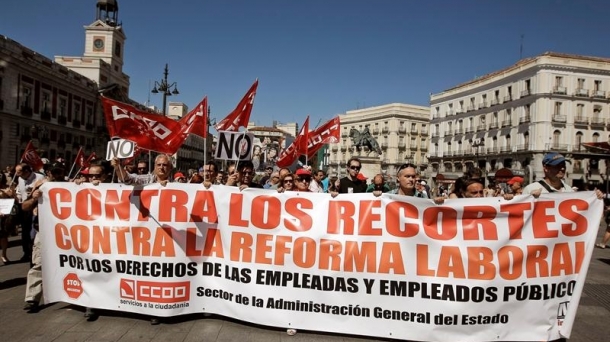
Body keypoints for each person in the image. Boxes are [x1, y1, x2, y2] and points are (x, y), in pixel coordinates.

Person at [23, 162, 66, 313]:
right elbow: (25, 206)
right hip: (44, 231)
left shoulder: (71, 185)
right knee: (38, 264)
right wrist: (34, 198)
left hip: (67, 233)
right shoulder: (40, 186)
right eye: (52, 172)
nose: (55, 175)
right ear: (47, 173)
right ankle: (32, 299)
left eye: (58, 172)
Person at [15, 163, 45, 263]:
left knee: (33, 232)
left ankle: (34, 252)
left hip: (36, 209)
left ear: (26, 171)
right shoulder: (20, 179)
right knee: (25, 231)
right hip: (24, 207)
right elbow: (20, 191)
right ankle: (26, 252)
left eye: (19, 172)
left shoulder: (40, 177)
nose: (16, 174)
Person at [0, 172, 16, 264]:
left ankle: (4, 254)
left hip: (3, 215)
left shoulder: (7, 188)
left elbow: (15, 200)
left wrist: (11, 194)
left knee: (3, 237)